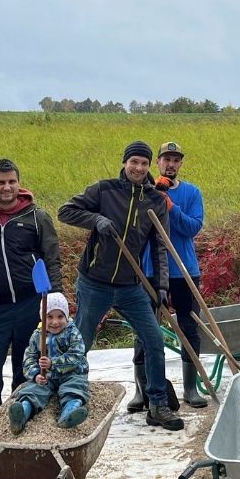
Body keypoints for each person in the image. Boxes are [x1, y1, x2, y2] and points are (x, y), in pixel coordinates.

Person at [58, 140, 183, 431]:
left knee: (153, 340)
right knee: (81, 342)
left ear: (149, 166)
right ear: (125, 163)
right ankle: (69, 397)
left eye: (143, 163)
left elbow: (161, 246)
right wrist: (96, 219)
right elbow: (66, 211)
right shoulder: (104, 190)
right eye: (134, 162)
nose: (138, 168)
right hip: (94, 282)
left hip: (130, 286)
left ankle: (157, 404)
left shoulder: (155, 200)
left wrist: (162, 286)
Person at [0, 159, 62, 441]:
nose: (7, 187)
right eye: (1, 182)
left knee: (27, 369)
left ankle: (24, 431)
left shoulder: (37, 217)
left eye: (11, 181)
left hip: (30, 304)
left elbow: (52, 258)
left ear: (19, 183)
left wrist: (55, 299)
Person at [130, 141, 208, 410]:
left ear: (180, 164)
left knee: (189, 327)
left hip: (184, 270)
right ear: (158, 163)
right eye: (166, 159)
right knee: (144, 328)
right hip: (150, 270)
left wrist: (169, 206)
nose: (171, 164)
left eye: (176, 160)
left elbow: (192, 229)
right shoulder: (145, 192)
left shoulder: (192, 192)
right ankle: (141, 391)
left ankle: (190, 388)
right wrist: (154, 197)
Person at [8, 292, 90, 434]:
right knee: (32, 390)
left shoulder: (72, 333)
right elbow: (29, 358)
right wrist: (35, 375)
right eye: (49, 317)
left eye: (60, 316)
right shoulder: (37, 335)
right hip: (47, 376)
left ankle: (69, 413)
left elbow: (77, 355)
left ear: (67, 316)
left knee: (74, 388)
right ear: (42, 317)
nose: (55, 322)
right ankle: (22, 413)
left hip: (71, 374)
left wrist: (53, 363)